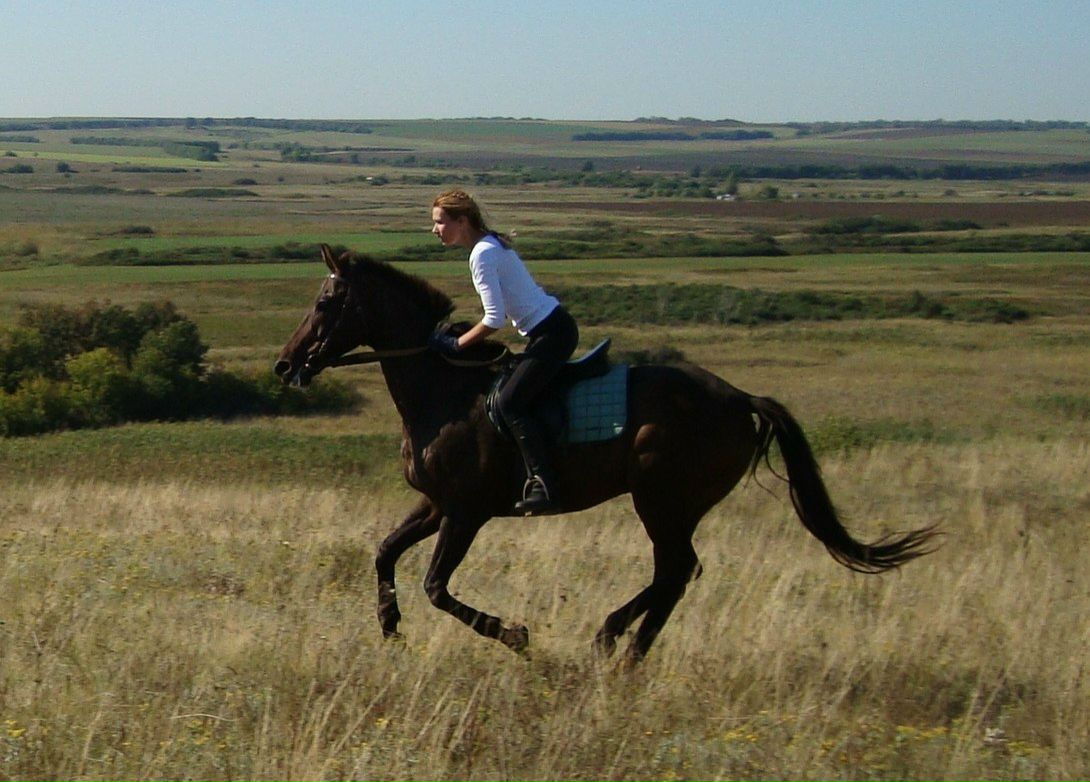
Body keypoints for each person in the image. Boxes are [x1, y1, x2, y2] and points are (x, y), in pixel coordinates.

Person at [429, 189, 579, 515]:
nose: (435, 229)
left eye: (440, 222)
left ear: (462, 220)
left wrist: (455, 345)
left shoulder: (481, 255)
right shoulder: (489, 245)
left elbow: (493, 319)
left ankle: (544, 483)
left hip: (552, 334)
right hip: (549, 330)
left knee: (510, 402)